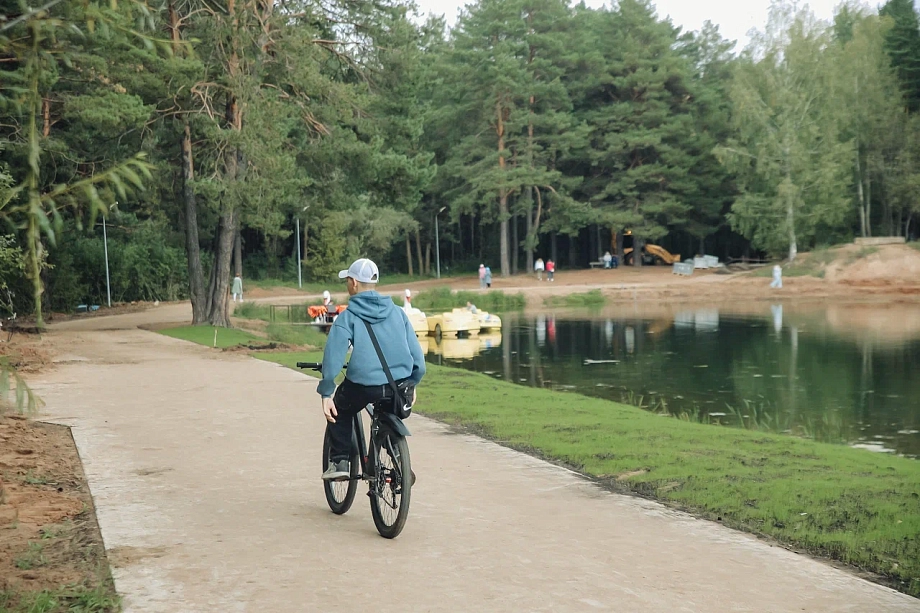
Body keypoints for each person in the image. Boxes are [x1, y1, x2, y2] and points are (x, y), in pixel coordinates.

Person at [318, 258, 426, 480]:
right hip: (398, 384)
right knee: (386, 408)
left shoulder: (348, 317)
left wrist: (327, 390)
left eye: (347, 280)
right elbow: (417, 357)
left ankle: (339, 461)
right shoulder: (398, 313)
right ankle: (397, 456)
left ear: (354, 283)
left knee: (341, 407)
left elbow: (334, 356)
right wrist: (413, 382)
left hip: (363, 386)